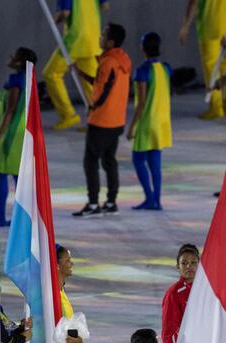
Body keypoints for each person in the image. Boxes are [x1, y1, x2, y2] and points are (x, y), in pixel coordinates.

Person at [71, 23, 131, 217]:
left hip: (101, 121)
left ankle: (93, 203)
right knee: (109, 160)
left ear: (111, 41)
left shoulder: (107, 63)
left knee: (91, 161)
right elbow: (105, 84)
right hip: (117, 120)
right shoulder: (122, 60)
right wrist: (82, 75)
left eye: (103, 35)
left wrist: (93, 105)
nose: (100, 37)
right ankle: (112, 201)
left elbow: (100, 92)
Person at [43, 0, 108, 130]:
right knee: (92, 84)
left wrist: (55, 21)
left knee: (51, 74)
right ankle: (97, 121)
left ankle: (68, 115)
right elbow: (105, 6)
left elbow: (65, 13)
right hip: (93, 38)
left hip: (75, 39)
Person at [0, 47, 36, 226]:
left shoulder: (15, 81)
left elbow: (10, 110)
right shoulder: (29, 80)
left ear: (19, 62)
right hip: (22, 132)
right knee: (19, 176)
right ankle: (24, 218)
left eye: (14, 55)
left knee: (1, 175)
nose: (11, 57)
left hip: (10, 135)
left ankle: (0, 217)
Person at [127, 32, 172, 211]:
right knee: (156, 163)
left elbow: (142, 103)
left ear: (143, 48)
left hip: (147, 121)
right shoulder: (166, 68)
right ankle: (157, 200)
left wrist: (131, 127)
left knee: (138, 159)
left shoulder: (142, 71)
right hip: (162, 120)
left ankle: (149, 198)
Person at [179, 0, 226, 120]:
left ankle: (216, 108)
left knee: (211, 68)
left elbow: (193, 3)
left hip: (210, 26)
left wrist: (185, 26)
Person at [161, 244, 199, 343]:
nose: (189, 266)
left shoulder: (206, 289)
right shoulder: (173, 294)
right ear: (178, 266)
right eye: (184, 263)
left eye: (193, 262)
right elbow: (168, 331)